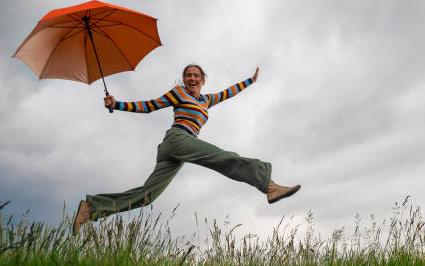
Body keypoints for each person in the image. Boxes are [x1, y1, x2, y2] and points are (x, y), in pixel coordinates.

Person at [73, 65, 300, 234]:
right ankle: (268, 185)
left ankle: (92, 207)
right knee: (223, 158)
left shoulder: (206, 100)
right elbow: (150, 106)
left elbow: (228, 92)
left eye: (196, 75)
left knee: (147, 196)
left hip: (175, 150)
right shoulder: (178, 93)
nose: (191, 78)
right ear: (184, 79)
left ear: (202, 80)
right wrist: (117, 104)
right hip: (177, 139)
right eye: (188, 75)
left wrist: (250, 81)